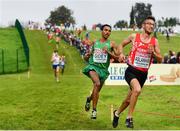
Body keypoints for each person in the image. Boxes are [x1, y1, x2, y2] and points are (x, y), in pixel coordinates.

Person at [112, 16, 162, 128]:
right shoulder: (134, 36)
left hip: (143, 74)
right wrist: (120, 54)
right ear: (143, 25)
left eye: (153, 24)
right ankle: (129, 118)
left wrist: (153, 53)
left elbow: (160, 59)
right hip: (131, 71)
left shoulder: (155, 42)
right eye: (149, 23)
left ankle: (117, 113)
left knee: (128, 100)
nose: (151, 26)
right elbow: (120, 45)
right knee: (137, 90)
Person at [83, 24, 118, 119]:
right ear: (102, 31)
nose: (107, 32)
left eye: (109, 31)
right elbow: (88, 56)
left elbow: (118, 58)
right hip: (93, 67)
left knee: (96, 90)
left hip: (103, 70)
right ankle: (94, 111)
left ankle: (89, 99)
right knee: (97, 84)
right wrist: (87, 56)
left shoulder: (112, 44)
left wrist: (109, 52)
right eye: (105, 30)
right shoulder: (95, 42)